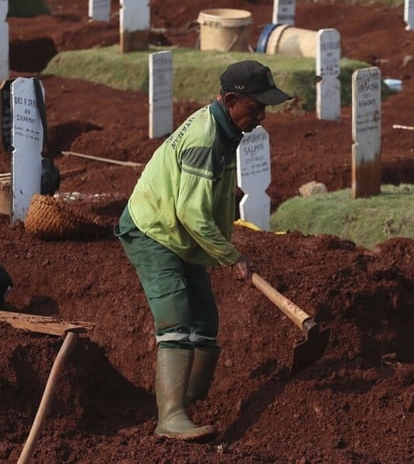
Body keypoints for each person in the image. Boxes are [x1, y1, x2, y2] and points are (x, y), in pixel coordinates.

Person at [116, 59, 291, 442]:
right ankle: (171, 418)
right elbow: (192, 214)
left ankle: (188, 402)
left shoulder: (225, 129)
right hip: (154, 229)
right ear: (230, 99)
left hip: (180, 234)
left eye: (265, 108)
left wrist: (222, 248)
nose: (262, 116)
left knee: (206, 322)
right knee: (176, 317)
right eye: (255, 107)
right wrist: (232, 256)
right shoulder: (205, 140)